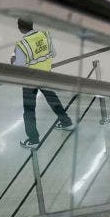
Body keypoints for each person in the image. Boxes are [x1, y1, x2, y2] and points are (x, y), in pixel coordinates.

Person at [12, 19, 75, 149]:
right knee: (53, 100)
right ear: (31, 24)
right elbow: (54, 54)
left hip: (30, 81)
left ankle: (33, 139)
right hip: (46, 76)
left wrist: (12, 60)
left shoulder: (21, 45)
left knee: (29, 110)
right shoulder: (45, 35)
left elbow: (18, 66)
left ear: (20, 28)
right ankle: (66, 122)